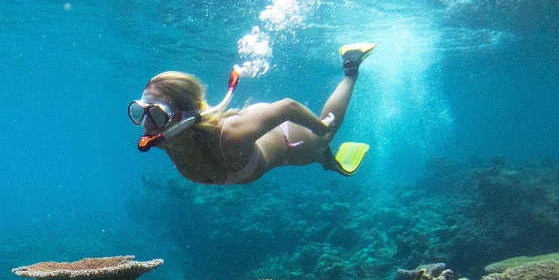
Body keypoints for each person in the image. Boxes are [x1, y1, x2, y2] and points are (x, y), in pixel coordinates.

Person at [129, 43, 375, 185]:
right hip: (262, 138)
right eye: (140, 112)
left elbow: (288, 107)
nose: (146, 125)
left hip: (286, 136)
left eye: (158, 114)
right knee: (317, 155)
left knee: (323, 139)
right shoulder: (169, 142)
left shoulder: (231, 136)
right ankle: (326, 160)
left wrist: (321, 127)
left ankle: (351, 68)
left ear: (183, 116)